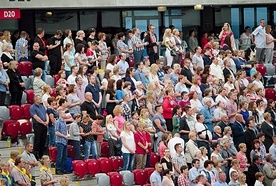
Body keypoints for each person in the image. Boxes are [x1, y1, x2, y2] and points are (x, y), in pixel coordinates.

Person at [55, 110, 70, 175]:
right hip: (60, 141)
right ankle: (58, 169)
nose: (65, 114)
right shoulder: (58, 122)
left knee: (64, 156)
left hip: (65, 141)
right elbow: (56, 132)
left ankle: (63, 169)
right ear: (60, 114)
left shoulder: (64, 122)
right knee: (59, 156)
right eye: (63, 113)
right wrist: (64, 136)